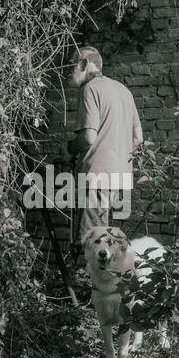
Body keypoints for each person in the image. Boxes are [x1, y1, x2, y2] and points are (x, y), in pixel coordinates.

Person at [67, 46, 143, 242]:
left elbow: (88, 138)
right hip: (121, 177)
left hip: (97, 177)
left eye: (71, 67)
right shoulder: (123, 91)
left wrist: (70, 147)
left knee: (92, 240)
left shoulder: (90, 88)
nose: (68, 73)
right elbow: (138, 140)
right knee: (109, 242)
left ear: (83, 64)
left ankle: (85, 274)